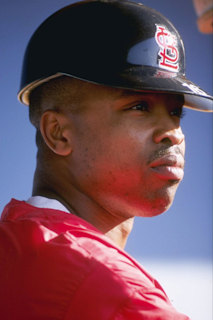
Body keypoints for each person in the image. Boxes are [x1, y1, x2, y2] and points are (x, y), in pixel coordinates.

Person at [0, 0, 212, 319]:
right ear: (58, 133)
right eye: (138, 106)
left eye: (175, 112)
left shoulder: (14, 246)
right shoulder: (120, 294)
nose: (173, 133)